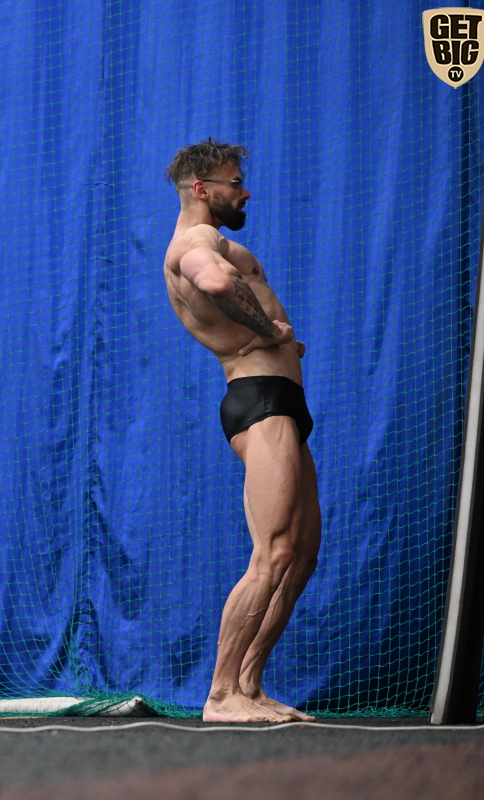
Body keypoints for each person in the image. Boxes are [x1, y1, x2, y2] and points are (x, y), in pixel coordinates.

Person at [163, 139, 320, 723]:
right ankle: (220, 694)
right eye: (235, 182)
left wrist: (276, 339)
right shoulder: (194, 245)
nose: (245, 191)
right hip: (260, 403)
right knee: (272, 552)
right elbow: (217, 284)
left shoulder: (218, 242)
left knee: (300, 555)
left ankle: (249, 686)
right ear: (203, 189)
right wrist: (271, 332)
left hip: (282, 400)